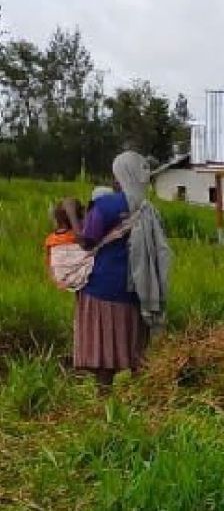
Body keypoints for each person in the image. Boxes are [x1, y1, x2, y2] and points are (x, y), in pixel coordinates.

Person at [74, 151, 170, 392]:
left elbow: (86, 240)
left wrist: (73, 217)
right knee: (135, 344)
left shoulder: (106, 205)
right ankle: (143, 397)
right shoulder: (149, 209)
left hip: (103, 287)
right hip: (137, 288)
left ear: (121, 177)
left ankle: (105, 400)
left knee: (104, 345)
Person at [44, 198, 88, 290]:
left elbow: (49, 262)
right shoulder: (76, 237)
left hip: (60, 278)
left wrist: (55, 278)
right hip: (81, 279)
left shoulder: (50, 239)